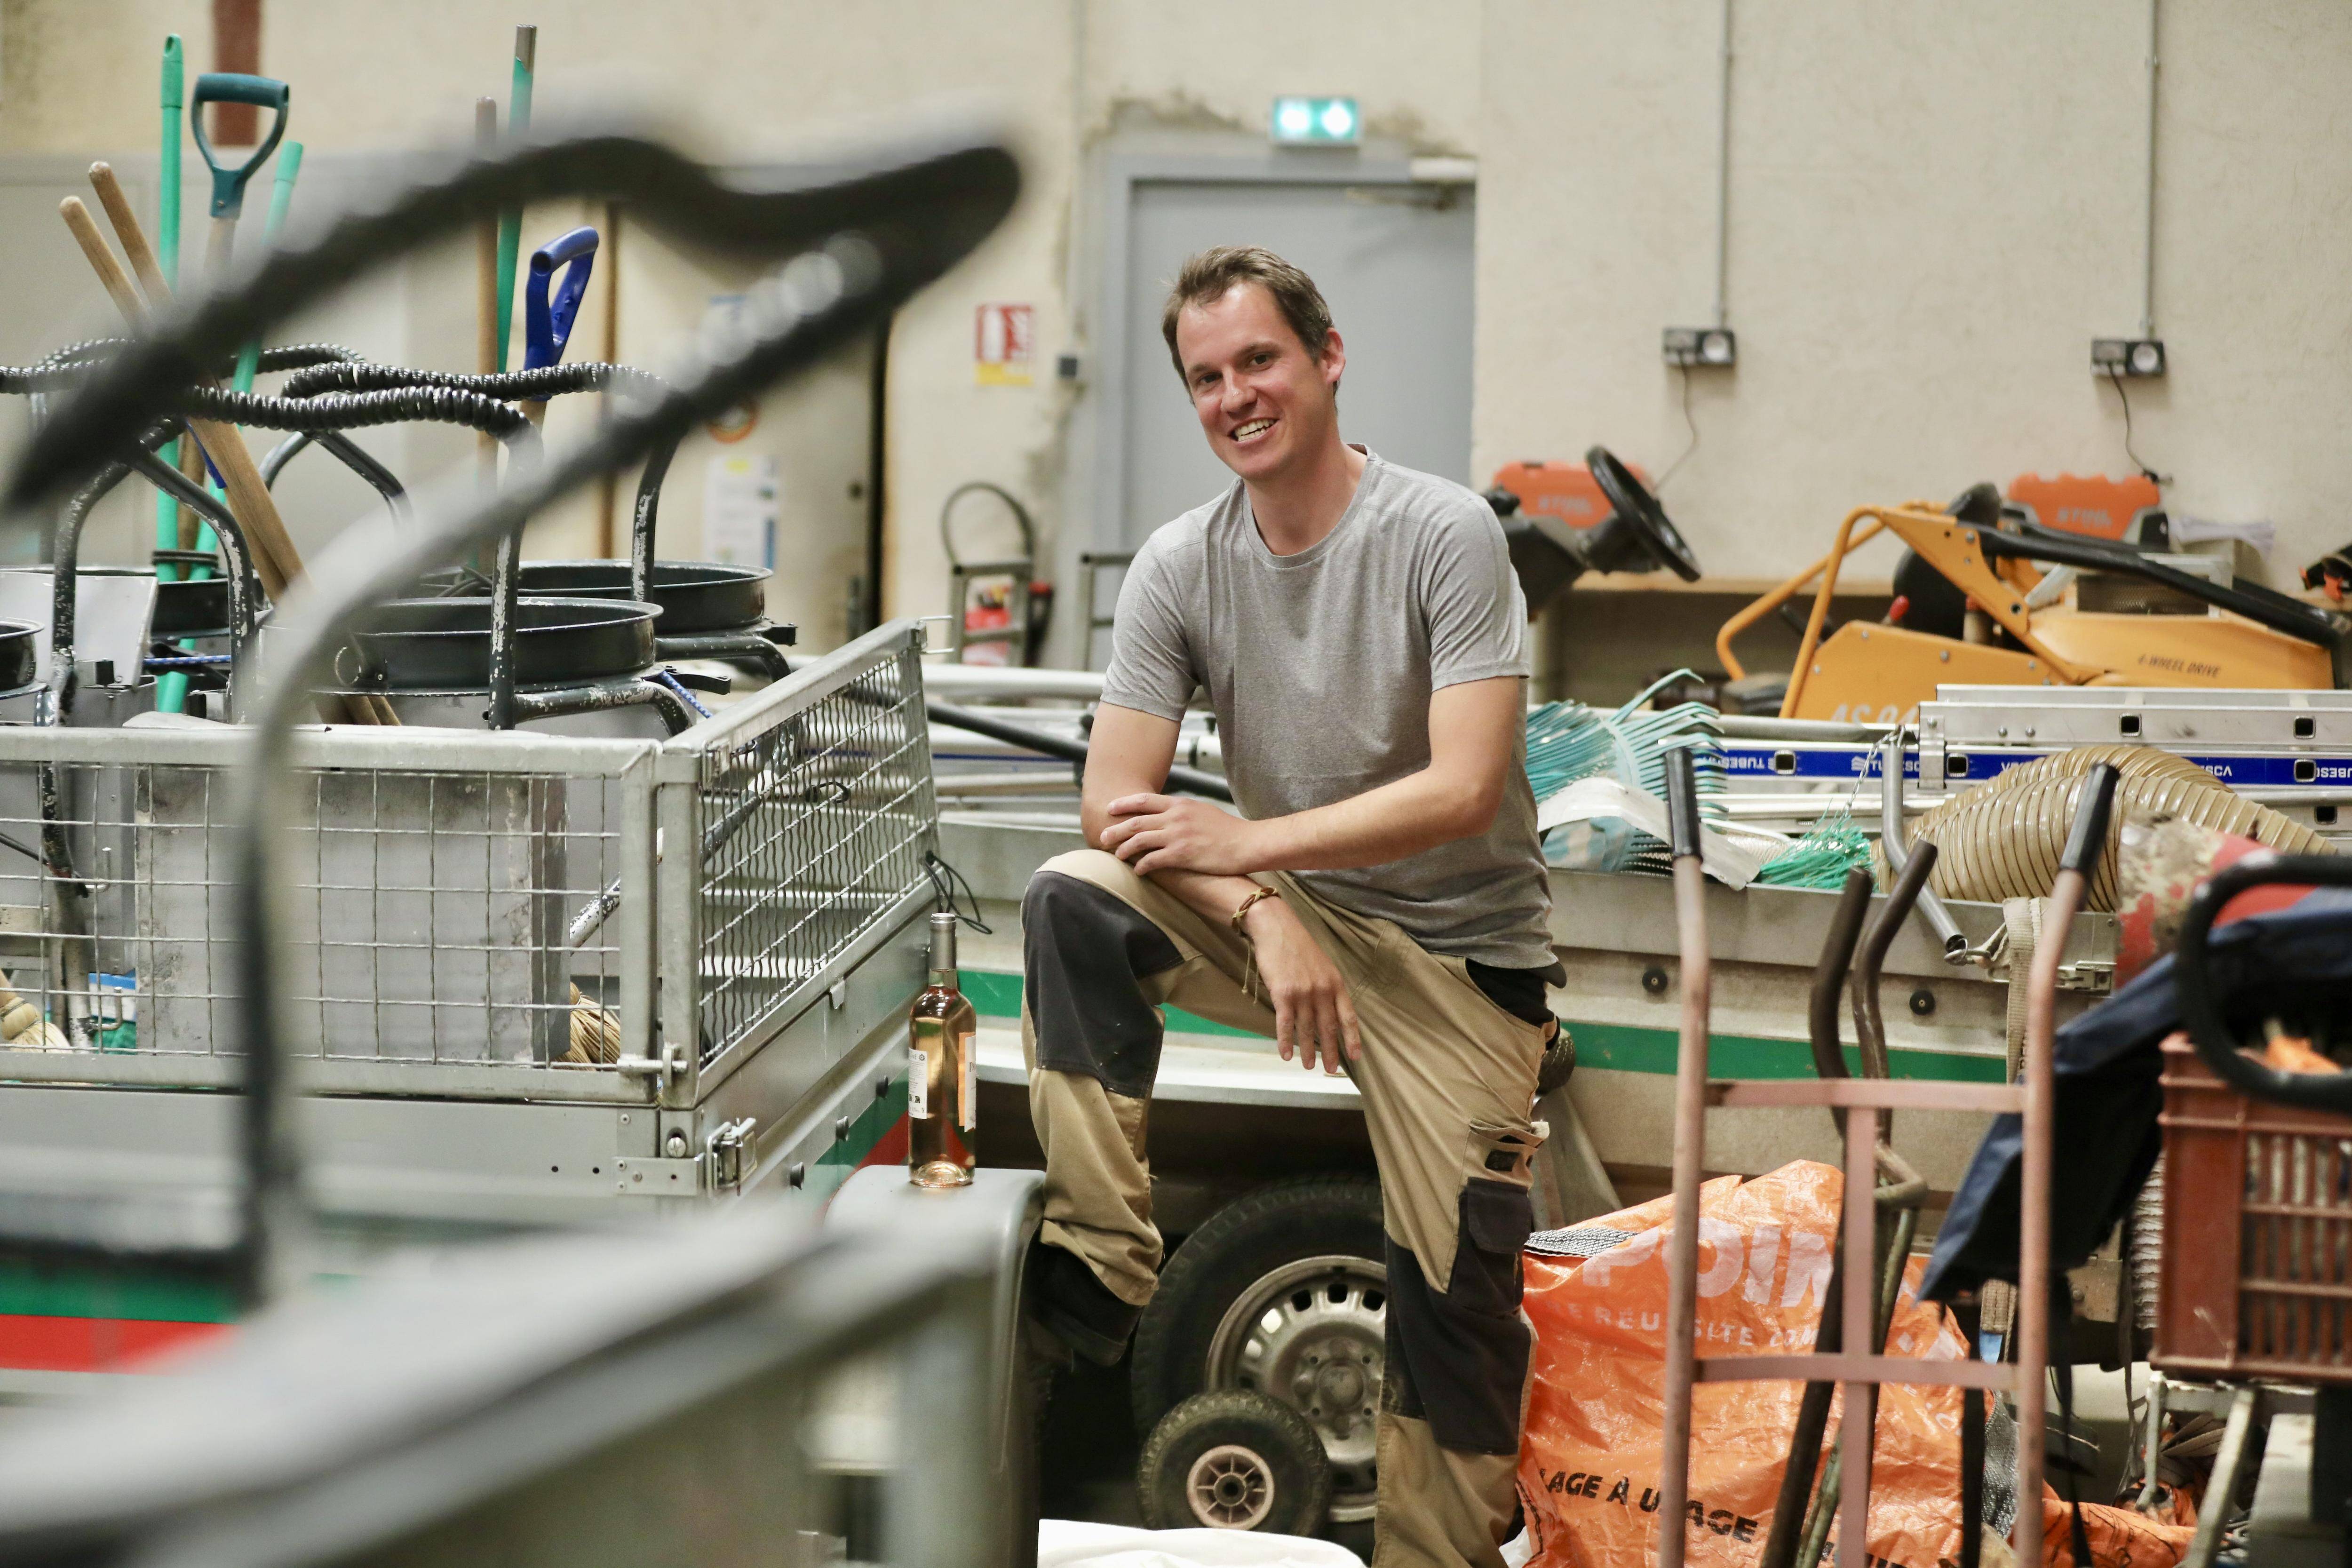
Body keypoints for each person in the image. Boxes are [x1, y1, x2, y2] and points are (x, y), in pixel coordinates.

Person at [1021, 245, 1562, 1567]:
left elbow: (1464, 783)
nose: (1234, 397)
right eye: (1206, 378)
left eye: (1258, 360)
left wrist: (1254, 842)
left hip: (1457, 963)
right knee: (1076, 902)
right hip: (1299, 921)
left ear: (1326, 359)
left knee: (1453, 1317)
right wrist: (1264, 907)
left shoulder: (1441, 533)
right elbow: (1115, 800)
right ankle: (1105, 1260)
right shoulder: (1181, 565)